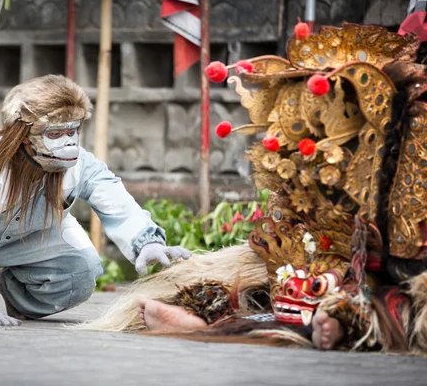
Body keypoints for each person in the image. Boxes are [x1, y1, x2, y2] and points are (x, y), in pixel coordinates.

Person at [79, 22, 427, 354]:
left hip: (393, 271)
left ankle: (337, 323)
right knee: (253, 283)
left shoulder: (404, 151)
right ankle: (211, 319)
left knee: (391, 305)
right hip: (324, 262)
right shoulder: (309, 166)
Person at [0, 75, 192, 326]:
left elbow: (117, 202)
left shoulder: (81, 164)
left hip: (31, 232)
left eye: (73, 130)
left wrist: (146, 243)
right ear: (24, 135)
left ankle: (13, 291)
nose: (68, 142)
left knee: (82, 274)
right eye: (55, 134)